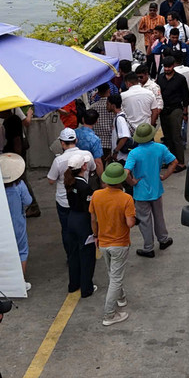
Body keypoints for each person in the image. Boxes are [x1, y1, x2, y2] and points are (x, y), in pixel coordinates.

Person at [46, 133, 95, 293]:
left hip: (71, 217)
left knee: (73, 253)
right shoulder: (84, 187)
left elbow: (52, 179)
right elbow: (89, 208)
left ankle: (73, 284)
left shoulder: (68, 184)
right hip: (82, 221)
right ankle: (86, 288)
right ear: (83, 167)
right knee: (86, 255)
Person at [91, 163, 137, 326]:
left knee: (113, 273)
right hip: (120, 243)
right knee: (116, 278)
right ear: (121, 181)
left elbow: (93, 219)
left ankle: (121, 298)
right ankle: (109, 314)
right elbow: (130, 223)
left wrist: (96, 236)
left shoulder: (96, 195)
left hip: (103, 242)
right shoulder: (126, 199)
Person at [127, 123, 178, 258]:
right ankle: (163, 239)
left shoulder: (133, 153)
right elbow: (174, 162)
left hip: (140, 193)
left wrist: (132, 182)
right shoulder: (160, 148)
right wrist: (164, 176)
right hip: (156, 189)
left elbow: (126, 172)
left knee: (144, 220)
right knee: (159, 216)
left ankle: (148, 247)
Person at [0, 153, 32, 286]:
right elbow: (28, 200)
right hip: (17, 221)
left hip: (0, 223)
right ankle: (20, 282)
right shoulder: (19, 185)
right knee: (22, 250)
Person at [154, 56, 189, 167]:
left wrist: (185, 112)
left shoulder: (180, 79)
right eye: (165, 67)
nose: (167, 69)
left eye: (169, 67)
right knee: (168, 137)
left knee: (176, 137)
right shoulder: (160, 78)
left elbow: (186, 97)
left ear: (173, 66)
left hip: (176, 109)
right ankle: (171, 160)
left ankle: (180, 162)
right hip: (164, 110)